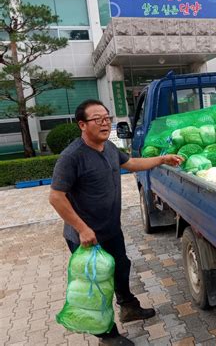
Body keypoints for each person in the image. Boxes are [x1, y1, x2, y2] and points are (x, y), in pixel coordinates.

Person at [49, 99, 183, 346]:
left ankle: (129, 308)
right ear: (82, 124)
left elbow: (132, 164)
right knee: (97, 286)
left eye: (107, 118)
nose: (104, 123)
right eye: (97, 119)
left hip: (111, 229)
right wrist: (82, 228)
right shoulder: (72, 157)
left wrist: (162, 160)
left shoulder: (108, 148)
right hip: (86, 237)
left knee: (121, 268)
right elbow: (56, 197)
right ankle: (107, 335)